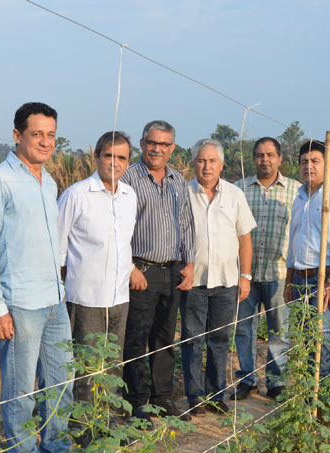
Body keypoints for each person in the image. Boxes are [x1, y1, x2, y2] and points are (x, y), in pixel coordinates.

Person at [0, 102, 73, 453]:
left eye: (51, 135)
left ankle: (56, 450)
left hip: (52, 299)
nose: (45, 141)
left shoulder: (49, 182)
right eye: (37, 134)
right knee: (21, 387)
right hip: (20, 302)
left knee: (62, 381)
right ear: (17, 136)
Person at [120, 120, 195, 421]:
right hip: (141, 271)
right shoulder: (128, 178)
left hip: (172, 271)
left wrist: (189, 264)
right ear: (142, 144)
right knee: (136, 339)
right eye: (152, 143)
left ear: (172, 148)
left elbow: (187, 224)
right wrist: (130, 267)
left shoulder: (178, 181)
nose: (157, 149)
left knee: (165, 338)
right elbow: (118, 227)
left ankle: (163, 397)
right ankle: (137, 402)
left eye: (164, 144)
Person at [57, 130, 137, 405]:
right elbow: (58, 251)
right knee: (87, 368)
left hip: (120, 298)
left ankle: (109, 423)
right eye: (109, 156)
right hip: (86, 299)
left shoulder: (129, 196)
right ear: (96, 157)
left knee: (114, 366)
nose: (115, 163)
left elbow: (124, 245)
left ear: (128, 162)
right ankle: (83, 430)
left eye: (122, 158)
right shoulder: (76, 195)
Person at [182, 139, 255, 416]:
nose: (206, 166)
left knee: (220, 339)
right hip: (194, 282)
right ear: (194, 164)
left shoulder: (235, 195)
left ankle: (216, 394)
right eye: (201, 160)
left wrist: (245, 275)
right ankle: (194, 397)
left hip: (226, 282)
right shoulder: (184, 192)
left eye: (212, 161)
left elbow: (244, 238)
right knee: (192, 340)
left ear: (221, 165)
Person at [232, 138, 301, 400]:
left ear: (280, 159)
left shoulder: (295, 190)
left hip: (280, 272)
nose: (265, 160)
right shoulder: (239, 190)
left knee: (278, 329)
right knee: (244, 328)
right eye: (260, 155)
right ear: (254, 159)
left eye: (270, 155)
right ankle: (247, 379)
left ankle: (275, 381)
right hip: (246, 273)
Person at [283, 139, 330, 378]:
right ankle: (308, 388)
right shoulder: (299, 198)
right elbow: (293, 243)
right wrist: (288, 282)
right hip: (300, 278)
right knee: (306, 335)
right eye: (304, 162)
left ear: (328, 164)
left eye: (315, 161)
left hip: (325, 276)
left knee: (322, 334)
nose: (309, 167)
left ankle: (319, 392)